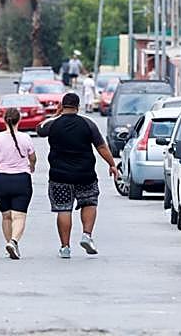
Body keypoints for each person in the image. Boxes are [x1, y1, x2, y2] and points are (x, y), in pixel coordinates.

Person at [36, 91, 119, 259]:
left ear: (62, 106)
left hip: (59, 176)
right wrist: (112, 164)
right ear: (78, 106)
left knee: (64, 209)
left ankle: (65, 247)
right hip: (85, 174)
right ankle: (86, 235)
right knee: (89, 202)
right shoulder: (88, 124)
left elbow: (39, 129)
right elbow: (101, 147)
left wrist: (55, 115)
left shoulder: (53, 124)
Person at [0, 107, 36, 260]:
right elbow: (32, 157)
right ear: (19, 120)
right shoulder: (26, 138)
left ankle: (9, 245)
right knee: (19, 216)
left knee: (6, 216)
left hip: (0, 180)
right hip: (21, 180)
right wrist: (31, 166)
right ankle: (13, 242)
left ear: (5, 120)